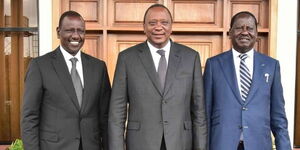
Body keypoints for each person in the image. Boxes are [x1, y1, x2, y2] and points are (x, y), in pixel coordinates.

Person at [108, 4, 207, 150]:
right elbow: (117, 111)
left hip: (180, 142)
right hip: (141, 142)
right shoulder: (127, 58)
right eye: (152, 23)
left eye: (164, 23)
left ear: (171, 26)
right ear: (144, 27)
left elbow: (199, 110)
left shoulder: (190, 57)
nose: (158, 27)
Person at [21, 11, 111, 150]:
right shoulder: (40, 66)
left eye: (80, 31)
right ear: (58, 32)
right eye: (70, 30)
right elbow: (30, 118)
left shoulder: (98, 67)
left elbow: (105, 116)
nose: (76, 35)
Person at [204, 11, 291, 150]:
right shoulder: (214, 65)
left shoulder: (271, 66)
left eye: (250, 28)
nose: (245, 32)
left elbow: (278, 116)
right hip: (222, 144)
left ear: (256, 34)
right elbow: (205, 113)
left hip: (259, 145)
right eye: (239, 28)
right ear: (230, 33)